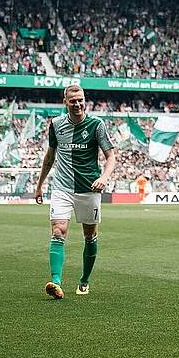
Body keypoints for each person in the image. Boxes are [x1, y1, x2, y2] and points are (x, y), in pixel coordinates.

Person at [34, 85, 117, 299]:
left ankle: (84, 280)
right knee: (58, 231)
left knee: (89, 235)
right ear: (65, 103)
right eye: (73, 101)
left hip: (89, 188)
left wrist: (104, 178)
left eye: (80, 100)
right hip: (62, 187)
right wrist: (39, 185)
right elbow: (49, 157)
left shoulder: (96, 125)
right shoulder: (56, 124)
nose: (78, 104)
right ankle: (56, 282)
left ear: (84, 100)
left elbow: (111, 157)